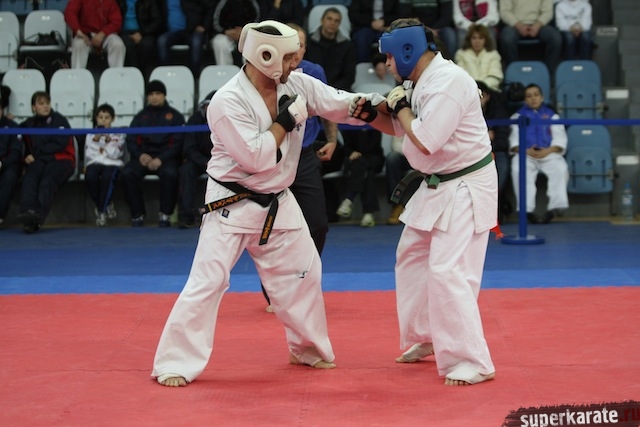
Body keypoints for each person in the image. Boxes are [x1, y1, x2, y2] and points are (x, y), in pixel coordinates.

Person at [151, 19, 380, 387]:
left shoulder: (298, 84)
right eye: (288, 57)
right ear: (265, 55)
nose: (295, 63)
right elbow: (256, 157)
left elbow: (336, 102)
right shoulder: (227, 101)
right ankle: (175, 362)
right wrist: (285, 121)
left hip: (278, 199)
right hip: (232, 202)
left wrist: (371, 105)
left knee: (305, 272)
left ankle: (306, 348)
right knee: (208, 282)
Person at [350, 18, 497, 385]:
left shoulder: (448, 82)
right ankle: (428, 335)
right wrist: (372, 118)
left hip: (466, 183)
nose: (386, 64)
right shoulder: (418, 81)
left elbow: (427, 139)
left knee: (448, 270)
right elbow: (401, 128)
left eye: (388, 57)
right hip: (437, 183)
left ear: (407, 50)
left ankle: (473, 361)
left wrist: (400, 106)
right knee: (411, 255)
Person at [261, 22, 339, 312]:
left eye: (300, 45)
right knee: (271, 227)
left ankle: (304, 282)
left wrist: (332, 139)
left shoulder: (313, 71)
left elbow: (328, 105)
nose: (296, 51)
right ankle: (274, 290)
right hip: (272, 157)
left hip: (305, 156)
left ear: (304, 48)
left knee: (317, 223)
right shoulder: (264, 71)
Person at [120, 80, 185, 227]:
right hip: (143, 157)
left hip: (166, 158)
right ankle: (137, 214)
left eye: (158, 93)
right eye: (151, 94)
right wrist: (140, 155)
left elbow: (178, 143)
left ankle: (165, 214)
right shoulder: (140, 117)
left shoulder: (175, 116)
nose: (154, 97)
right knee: (128, 173)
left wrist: (161, 158)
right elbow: (131, 140)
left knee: (171, 174)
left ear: (164, 95)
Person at [509, 83, 569, 224]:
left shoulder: (552, 116)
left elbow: (560, 139)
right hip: (526, 153)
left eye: (536, 95)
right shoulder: (516, 117)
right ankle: (526, 210)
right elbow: (514, 142)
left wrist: (547, 151)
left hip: (548, 152)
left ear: (542, 97)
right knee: (518, 169)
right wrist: (526, 151)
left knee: (560, 168)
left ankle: (555, 208)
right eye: (529, 96)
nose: (533, 98)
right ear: (525, 100)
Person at [18, 91, 76, 233]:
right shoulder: (29, 124)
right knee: (30, 177)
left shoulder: (59, 120)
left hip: (62, 159)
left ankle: (37, 217)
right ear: (33, 107)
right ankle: (27, 212)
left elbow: (60, 144)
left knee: (48, 180)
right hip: (41, 160)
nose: (45, 106)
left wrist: (35, 154)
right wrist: (26, 155)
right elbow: (16, 132)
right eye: (41, 103)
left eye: (47, 103)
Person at [84, 104, 125, 227]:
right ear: (96, 118)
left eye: (107, 117)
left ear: (112, 119)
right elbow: (89, 154)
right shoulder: (90, 134)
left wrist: (108, 142)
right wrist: (96, 141)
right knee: (90, 176)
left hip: (112, 163)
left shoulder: (118, 134)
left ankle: (101, 212)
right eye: (100, 117)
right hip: (95, 162)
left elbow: (117, 153)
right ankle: (106, 205)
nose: (103, 120)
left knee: (108, 176)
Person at [177, 92, 214, 229]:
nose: (208, 109)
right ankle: (186, 216)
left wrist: (216, 162)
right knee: (186, 170)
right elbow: (189, 148)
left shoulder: (228, 119)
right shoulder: (195, 119)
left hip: (222, 161)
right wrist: (205, 162)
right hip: (200, 160)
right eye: (206, 106)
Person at [477, 80, 511, 222]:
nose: (477, 99)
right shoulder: (462, 112)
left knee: (502, 169)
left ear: (488, 96)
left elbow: (503, 141)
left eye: (481, 95)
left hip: (496, 151)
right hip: (472, 154)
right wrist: (485, 137)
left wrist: (484, 142)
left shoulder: (498, 111)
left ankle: (494, 211)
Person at [336, 129, 384, 227]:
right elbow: (346, 146)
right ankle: (369, 213)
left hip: (373, 158)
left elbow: (374, 147)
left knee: (362, 164)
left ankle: (349, 199)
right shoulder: (348, 126)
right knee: (368, 172)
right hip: (356, 160)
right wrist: (351, 152)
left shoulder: (374, 124)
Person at [498, 0, 562, 73]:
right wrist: (519, 25)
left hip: (538, 24)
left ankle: (548, 72)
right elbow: (505, 12)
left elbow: (548, 12)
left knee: (555, 38)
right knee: (507, 38)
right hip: (515, 24)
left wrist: (538, 25)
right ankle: (513, 71)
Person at [305, 6, 357, 91]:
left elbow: (349, 77)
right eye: (329, 19)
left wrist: (329, 90)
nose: (332, 23)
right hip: (311, 89)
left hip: (337, 91)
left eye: (337, 21)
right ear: (322, 20)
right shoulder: (308, 42)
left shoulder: (348, 46)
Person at [157, 0, 214, 77]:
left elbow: (210, 7)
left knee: (196, 42)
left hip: (192, 30)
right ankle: (166, 75)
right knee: (162, 40)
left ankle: (194, 77)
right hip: (171, 33)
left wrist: (204, 26)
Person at [64, 0, 126, 69]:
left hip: (105, 35)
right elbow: (69, 12)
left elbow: (116, 22)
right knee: (78, 45)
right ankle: (77, 74)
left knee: (118, 44)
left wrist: (102, 34)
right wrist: (78, 31)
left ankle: (116, 73)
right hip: (85, 35)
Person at [118, 0, 164, 79]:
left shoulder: (149, 1)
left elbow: (157, 21)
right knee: (127, 45)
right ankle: (136, 77)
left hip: (145, 31)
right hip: (125, 33)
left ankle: (148, 78)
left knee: (147, 45)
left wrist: (142, 33)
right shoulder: (120, 2)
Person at [210, 0, 261, 67]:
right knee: (219, 42)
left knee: (253, 42)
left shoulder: (251, 2)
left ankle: (248, 71)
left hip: (246, 33)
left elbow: (257, 22)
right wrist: (225, 31)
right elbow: (215, 23)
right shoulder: (224, 2)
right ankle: (225, 71)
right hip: (227, 33)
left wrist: (244, 31)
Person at [454, 23, 503, 92]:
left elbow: (495, 77)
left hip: (489, 91)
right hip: (469, 91)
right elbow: (462, 77)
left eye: (481, 38)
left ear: (485, 40)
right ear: (469, 39)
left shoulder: (493, 54)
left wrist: (481, 87)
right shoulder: (461, 54)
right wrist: (475, 88)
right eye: (474, 38)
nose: (477, 41)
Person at [0, 93, 21, 228]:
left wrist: (2, 163)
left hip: (7, 164)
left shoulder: (12, 126)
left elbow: (16, 152)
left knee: (10, 176)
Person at [385, 135, 411, 225]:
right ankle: (396, 205)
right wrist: (413, 153)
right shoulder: (401, 125)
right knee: (392, 158)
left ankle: (431, 208)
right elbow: (396, 146)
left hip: (426, 157)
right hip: (406, 157)